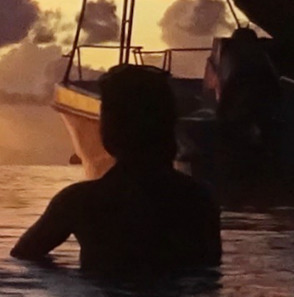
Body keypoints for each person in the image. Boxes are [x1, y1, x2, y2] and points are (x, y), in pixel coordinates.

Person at [12, 62, 222, 278]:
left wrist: (67, 279)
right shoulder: (199, 199)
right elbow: (208, 274)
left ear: (110, 129)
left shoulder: (79, 202)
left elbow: (23, 256)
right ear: (168, 125)